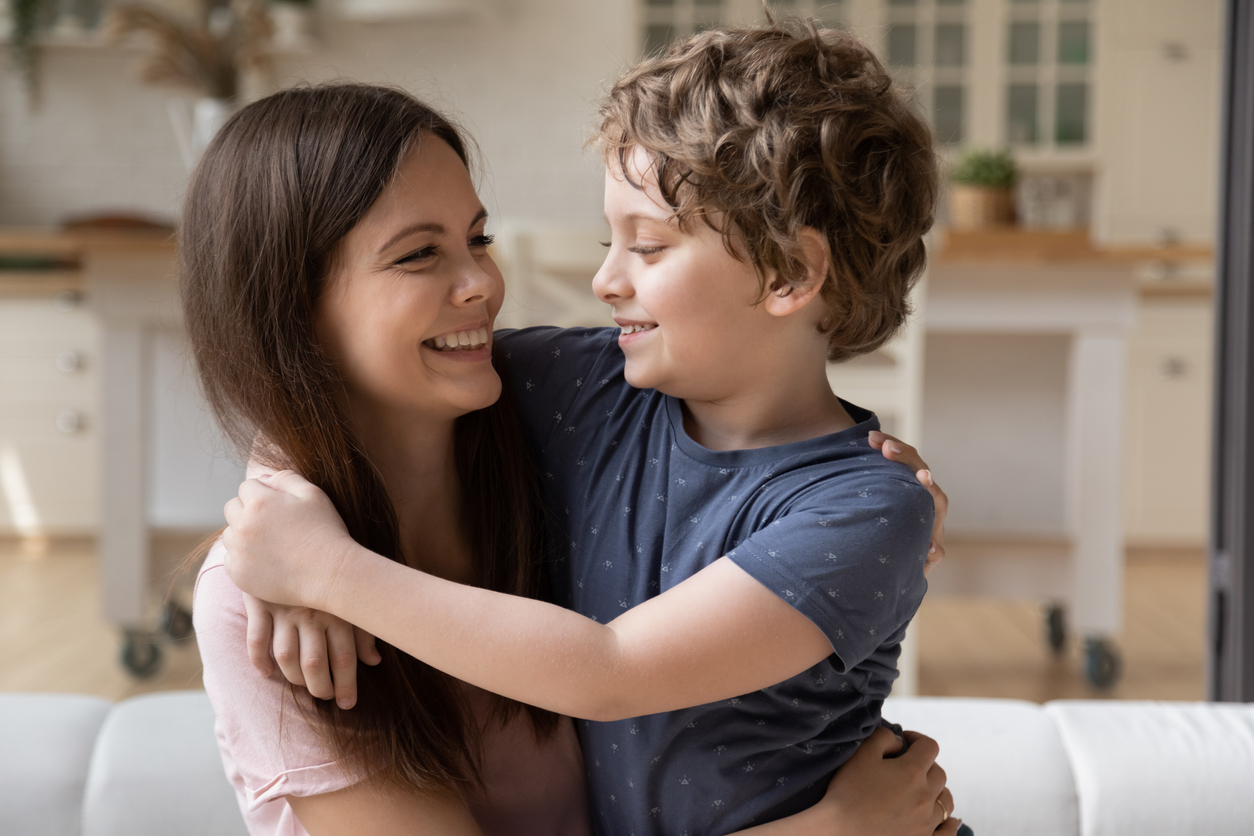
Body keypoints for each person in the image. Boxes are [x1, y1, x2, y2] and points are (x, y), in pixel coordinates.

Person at [223, 21, 969, 836]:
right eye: (606, 240)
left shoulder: (862, 510)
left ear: (790, 272)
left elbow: (609, 671)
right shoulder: (587, 385)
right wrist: (281, 518)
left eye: (647, 247)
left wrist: (330, 573)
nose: (604, 278)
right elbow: (356, 375)